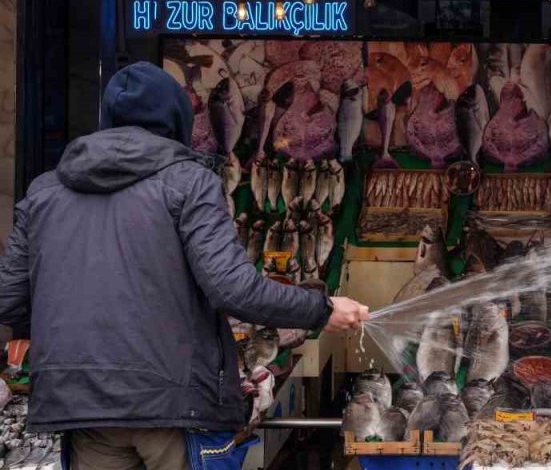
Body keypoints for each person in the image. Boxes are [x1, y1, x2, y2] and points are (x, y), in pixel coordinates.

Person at [0, 62, 370, 469]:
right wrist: (322, 309)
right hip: (174, 406)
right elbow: (233, 289)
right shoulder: (189, 183)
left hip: (82, 408)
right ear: (177, 120)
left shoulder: (44, 191)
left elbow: (10, 298)